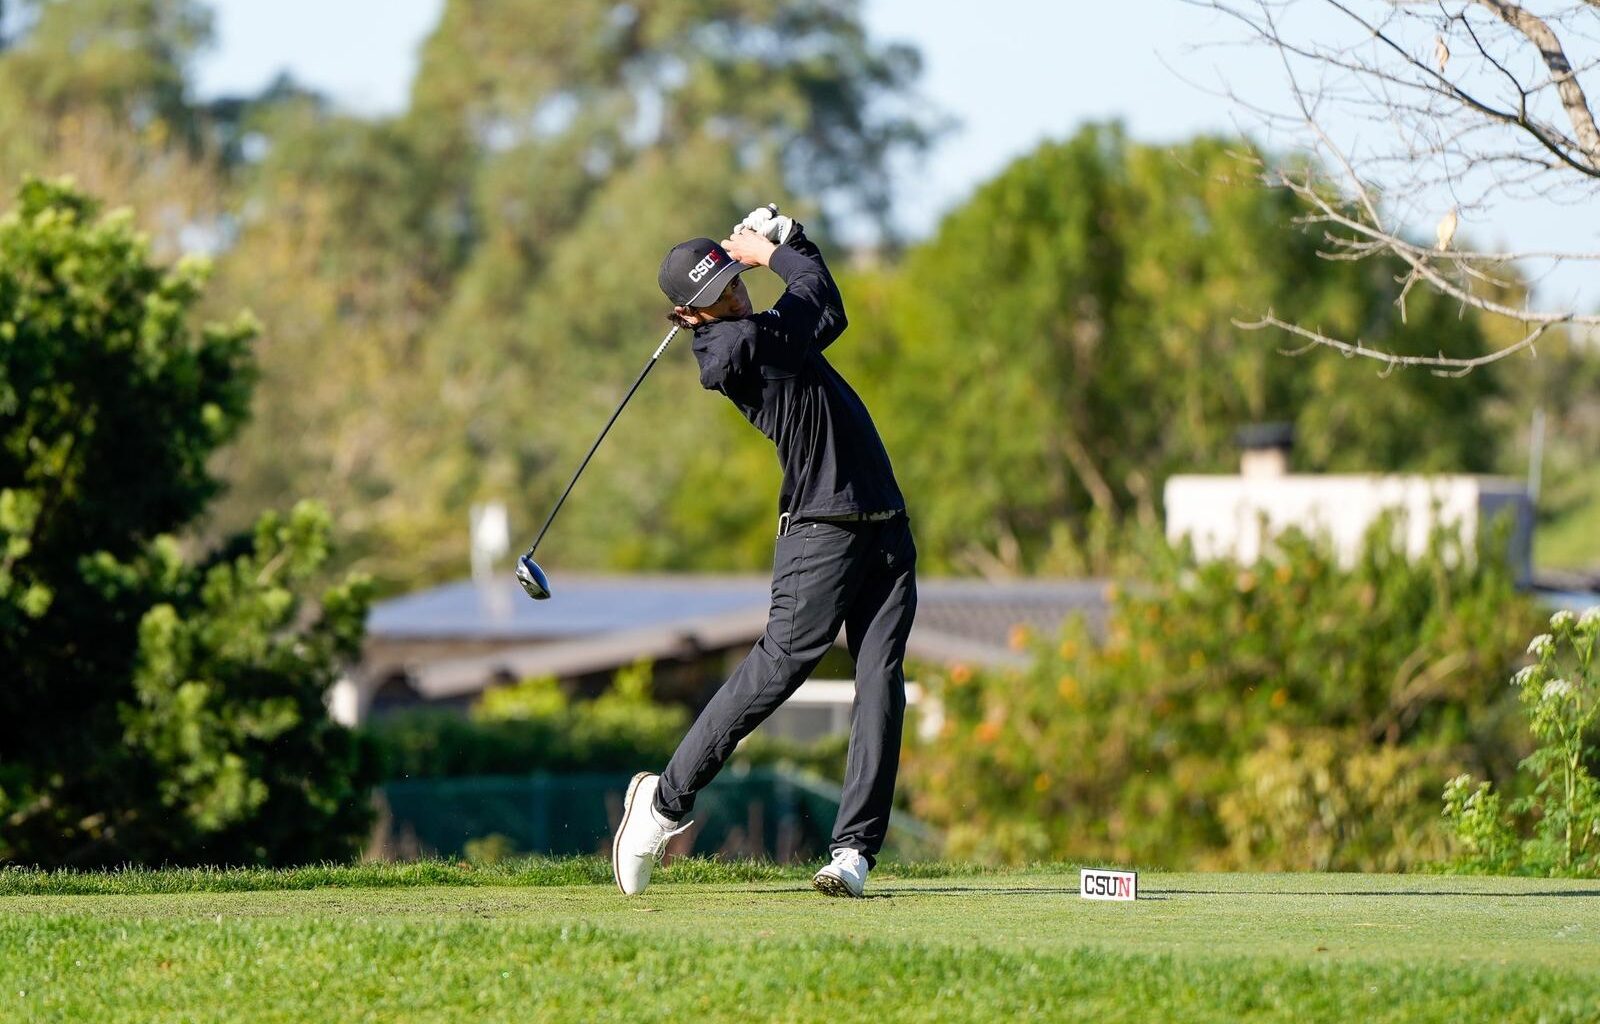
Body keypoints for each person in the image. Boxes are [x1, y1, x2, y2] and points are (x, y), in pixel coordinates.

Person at [611, 206, 917, 899]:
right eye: (717, 296)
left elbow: (821, 311)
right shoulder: (728, 352)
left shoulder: (765, 328)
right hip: (821, 529)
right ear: (690, 317)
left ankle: (853, 853)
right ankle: (662, 803)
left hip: (884, 526)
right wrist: (775, 251)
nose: (733, 296)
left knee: (881, 683)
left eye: (732, 282)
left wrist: (784, 241)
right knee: (780, 667)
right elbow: (819, 303)